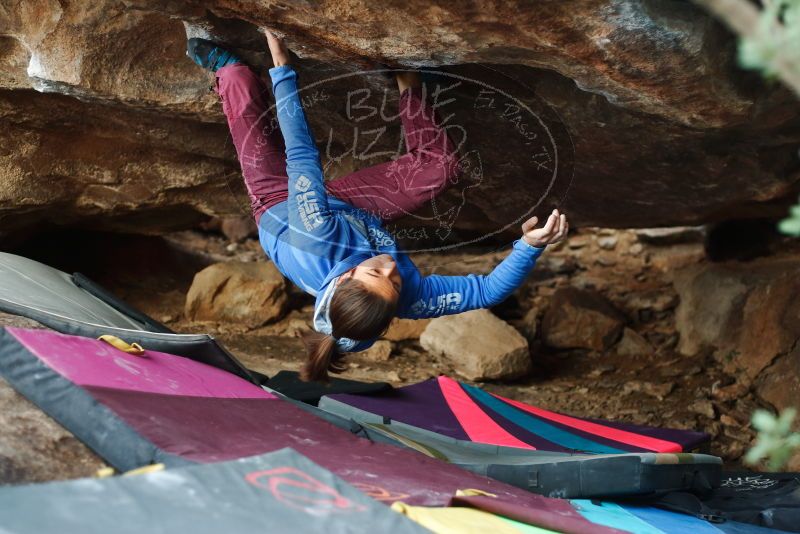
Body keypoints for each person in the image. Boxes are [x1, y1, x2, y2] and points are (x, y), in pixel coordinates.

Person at [187, 30, 569, 382]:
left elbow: (300, 153)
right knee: (439, 168)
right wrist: (530, 246)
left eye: (375, 274)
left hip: (277, 202)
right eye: (395, 282)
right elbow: (485, 291)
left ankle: (223, 70)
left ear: (342, 280)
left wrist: (282, 68)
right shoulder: (407, 300)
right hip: (353, 214)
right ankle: (409, 83)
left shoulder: (317, 236)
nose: (389, 267)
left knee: (240, 79)